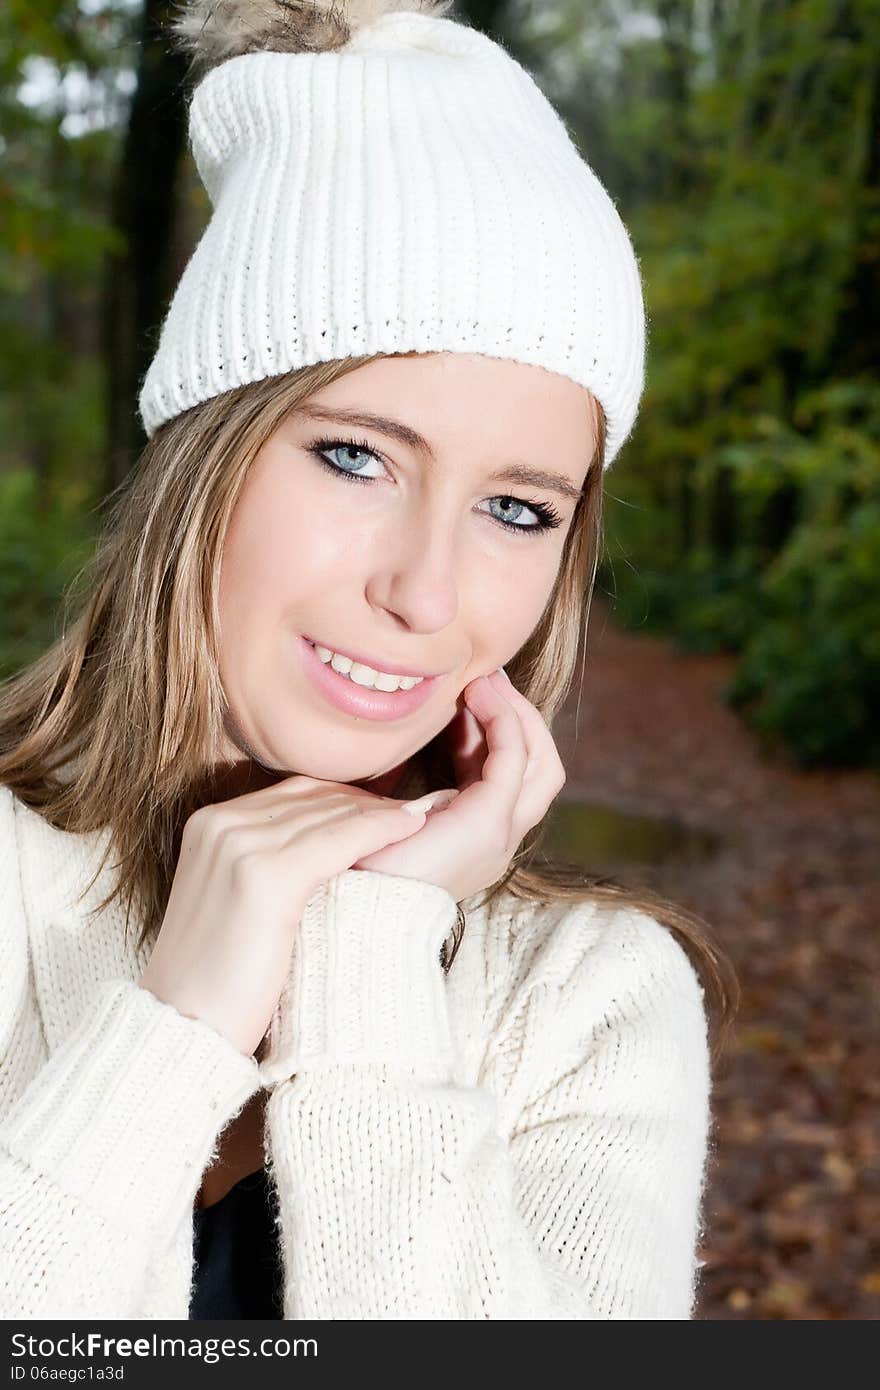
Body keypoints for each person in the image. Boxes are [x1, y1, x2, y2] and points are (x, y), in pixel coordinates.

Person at [0, 0, 738, 1320]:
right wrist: (171, 1026)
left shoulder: (593, 998)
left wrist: (374, 949)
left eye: (518, 508)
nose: (425, 589)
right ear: (199, 463)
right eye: (356, 456)